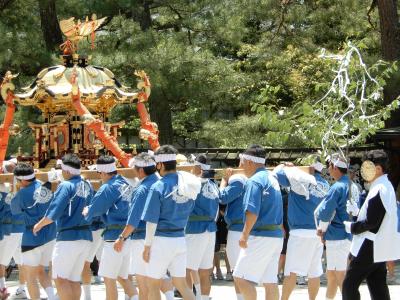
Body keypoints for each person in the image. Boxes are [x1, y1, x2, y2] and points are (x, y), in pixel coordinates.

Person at [141, 145, 201, 300]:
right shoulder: (187, 185)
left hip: (161, 240)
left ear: (160, 164)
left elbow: (152, 220)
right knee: (181, 285)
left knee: (153, 285)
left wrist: (147, 246)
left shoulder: (158, 186)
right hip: (180, 239)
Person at [114, 152, 174, 300]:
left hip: (142, 237)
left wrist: (122, 237)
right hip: (165, 236)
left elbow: (133, 219)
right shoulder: (163, 183)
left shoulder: (142, 189)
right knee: (156, 278)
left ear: (140, 170)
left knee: (144, 283)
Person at [33, 154, 93, 300]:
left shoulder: (66, 185)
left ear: (66, 170)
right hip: (85, 236)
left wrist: (38, 225)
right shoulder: (87, 185)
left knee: (60, 279)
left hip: (68, 238)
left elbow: (54, 211)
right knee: (72, 279)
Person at [342, 150, 400, 300]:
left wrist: (352, 227)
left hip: (370, 244)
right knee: (377, 285)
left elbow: (372, 223)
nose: (363, 172)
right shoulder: (384, 187)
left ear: (378, 169)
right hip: (379, 245)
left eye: (367, 167)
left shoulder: (380, 188)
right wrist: (357, 212)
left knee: (349, 285)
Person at [83, 156, 137, 300]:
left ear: (103, 172)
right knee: (122, 277)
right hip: (128, 234)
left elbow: (95, 209)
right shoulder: (125, 183)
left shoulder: (108, 187)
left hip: (114, 237)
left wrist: (87, 211)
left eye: (99, 173)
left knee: (109, 278)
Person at [273, 159, 329, 300]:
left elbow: (276, 174)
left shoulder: (299, 178)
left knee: (291, 271)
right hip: (318, 231)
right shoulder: (325, 184)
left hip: (300, 232)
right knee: (314, 272)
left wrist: (286, 165)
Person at [233, 144, 283, 300]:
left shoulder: (254, 181)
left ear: (249, 162)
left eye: (242, 162)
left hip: (260, 235)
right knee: (270, 281)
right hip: (275, 235)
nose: (241, 166)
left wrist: (244, 235)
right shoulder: (272, 178)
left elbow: (252, 211)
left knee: (240, 277)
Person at [10, 162, 57, 300]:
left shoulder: (22, 193)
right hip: (50, 234)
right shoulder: (46, 187)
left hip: (32, 237)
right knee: (42, 271)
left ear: (22, 179)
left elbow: (15, 210)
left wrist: (16, 190)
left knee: (30, 276)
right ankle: (52, 297)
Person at [314, 153, 351, 300]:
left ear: (334, 167)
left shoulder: (337, 187)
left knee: (339, 274)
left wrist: (321, 229)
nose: (328, 169)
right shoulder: (352, 185)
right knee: (332, 273)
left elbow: (326, 210)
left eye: (329, 165)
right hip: (347, 233)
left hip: (337, 234)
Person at [186, 154, 219, 300]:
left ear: (197, 167)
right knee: (204, 271)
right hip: (210, 229)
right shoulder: (213, 185)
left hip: (195, 229)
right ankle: (202, 298)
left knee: (186, 269)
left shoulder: (192, 183)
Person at [0, 158, 27, 299]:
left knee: (0, 261)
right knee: (21, 261)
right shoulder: (23, 187)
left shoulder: (1, 188)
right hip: (22, 228)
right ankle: (22, 289)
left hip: (7, 229)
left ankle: (2, 289)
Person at [219, 168, 247, 300]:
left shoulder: (238, 180)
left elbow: (222, 197)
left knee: (238, 270)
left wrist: (224, 181)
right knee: (243, 271)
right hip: (248, 228)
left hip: (237, 229)